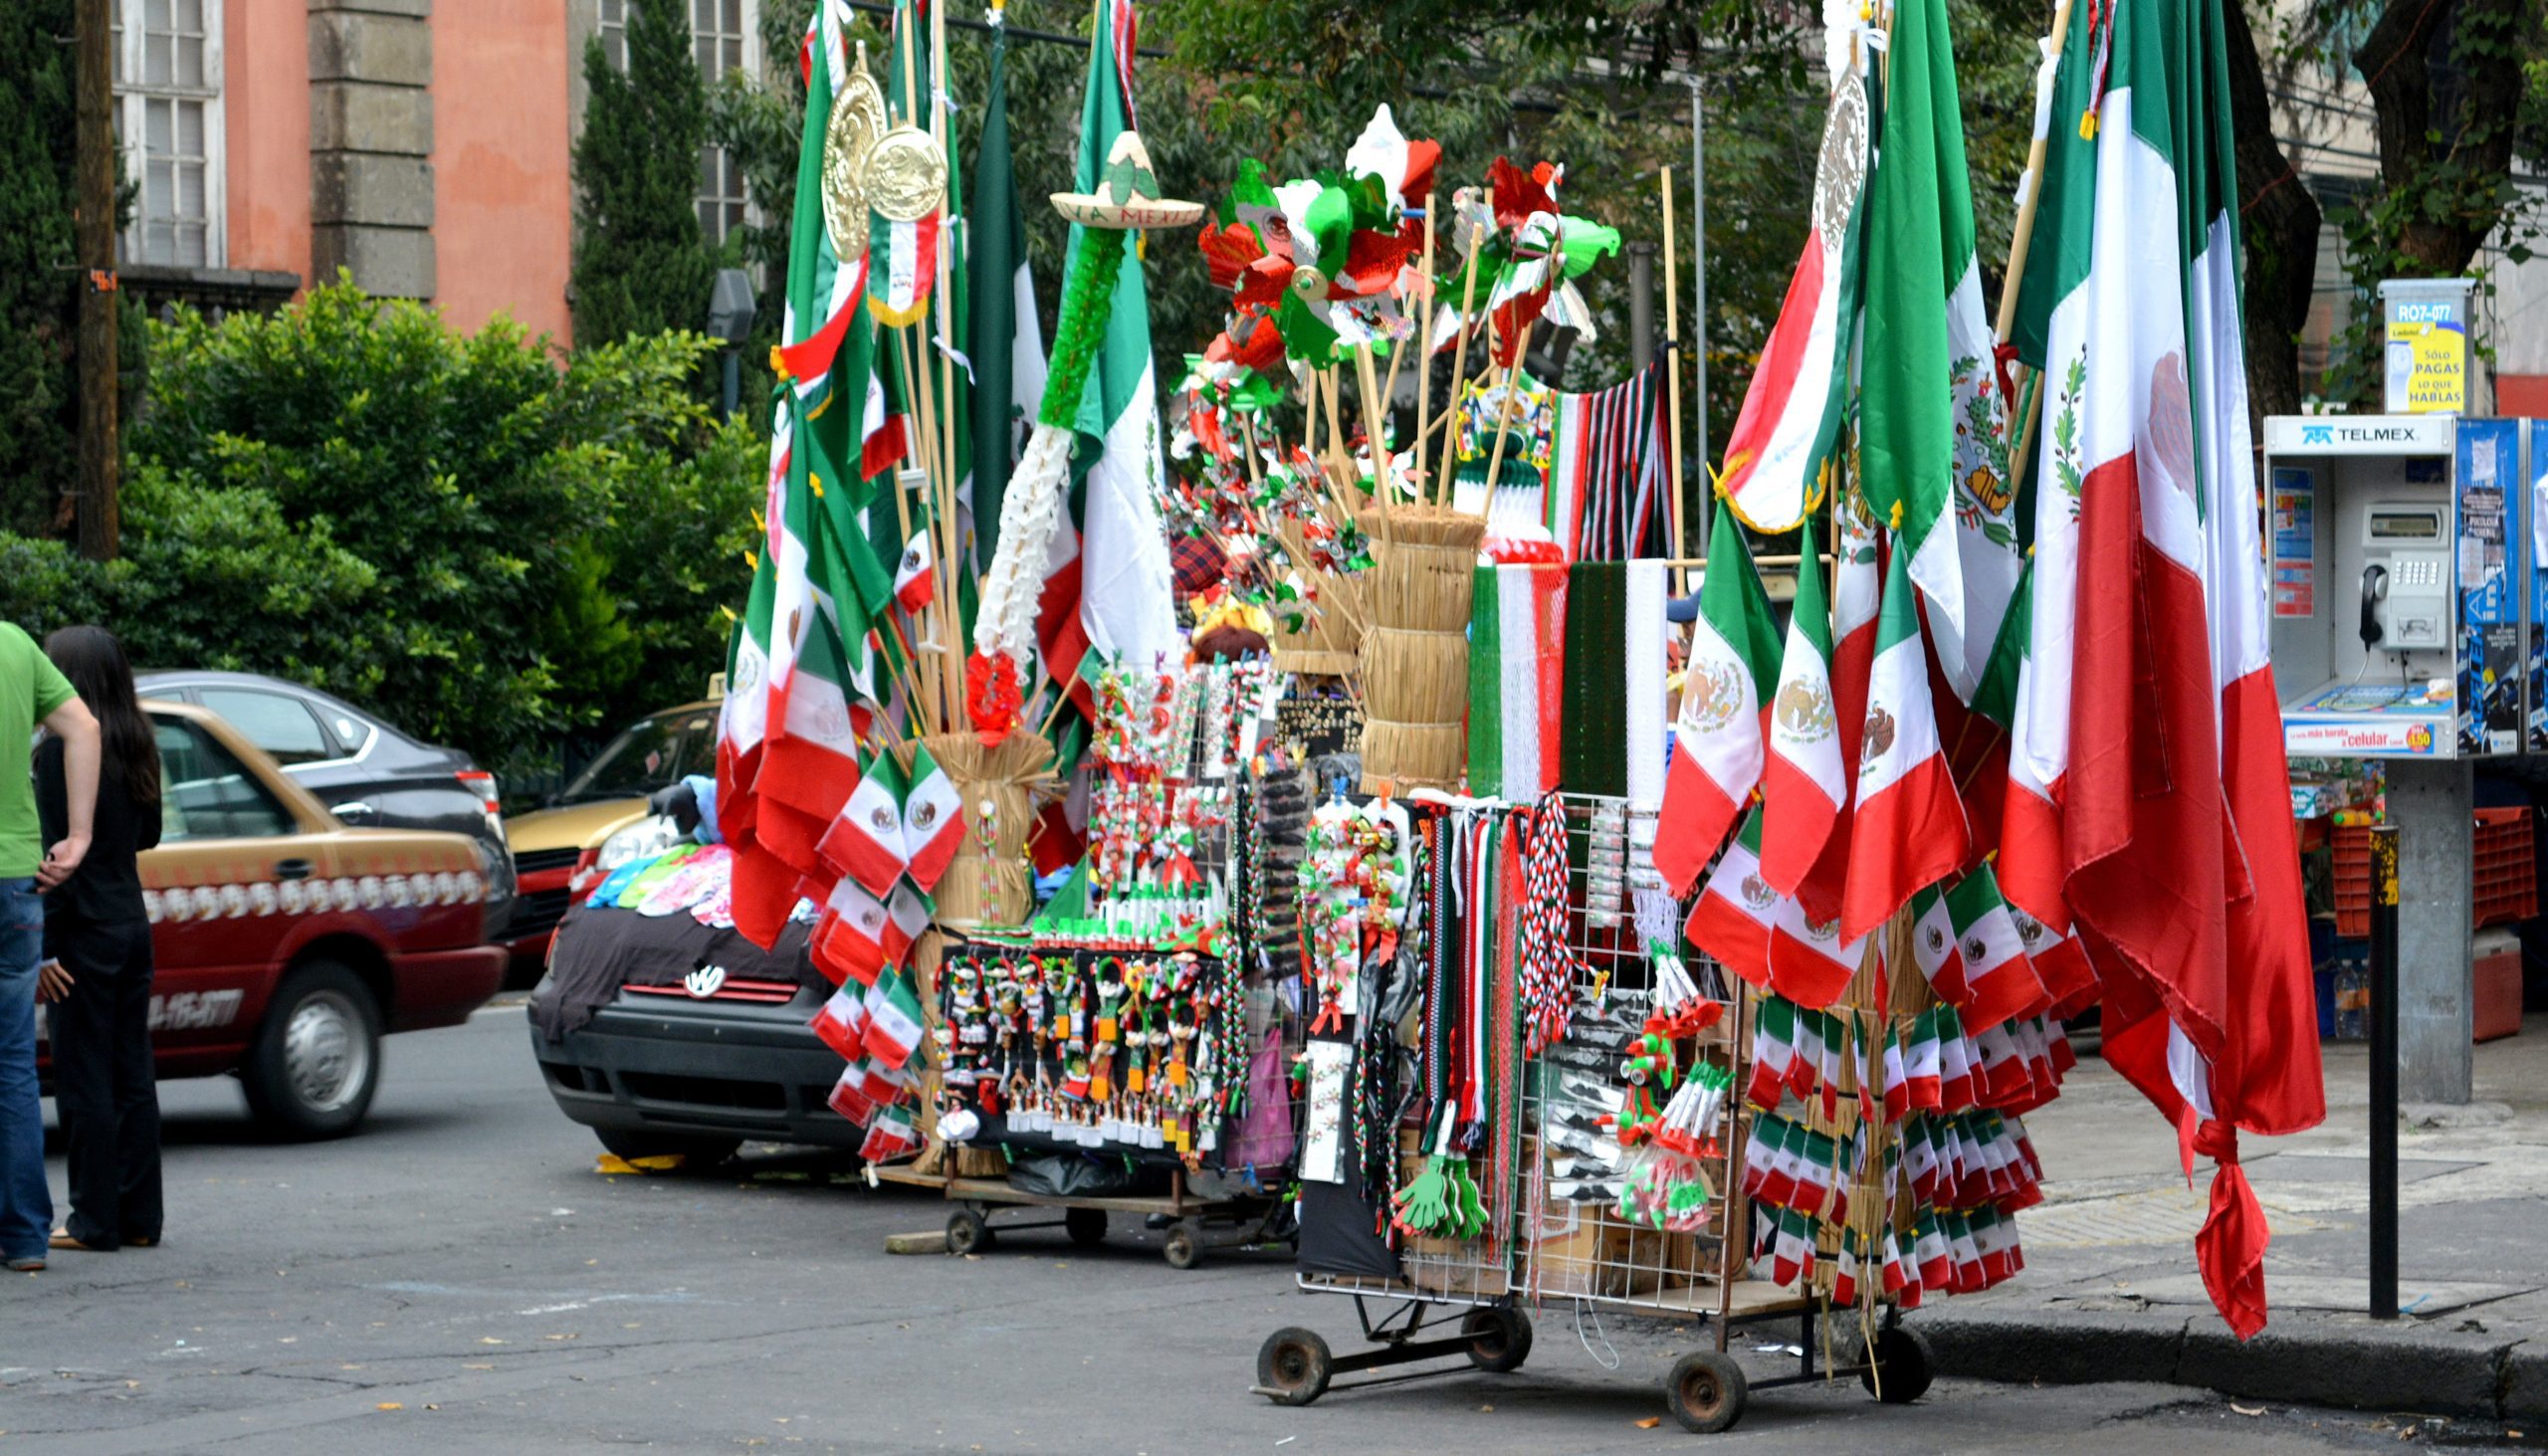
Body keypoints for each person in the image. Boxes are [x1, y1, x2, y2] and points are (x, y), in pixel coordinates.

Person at [35, 626, 162, 1259]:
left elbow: (54, 854)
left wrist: (46, 949)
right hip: (133, 922)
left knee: (83, 1078)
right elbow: (151, 836)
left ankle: (93, 1220)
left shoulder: (57, 753)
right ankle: (141, 1216)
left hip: (81, 929)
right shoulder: (139, 743)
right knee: (132, 1072)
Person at [0, 622, 97, 1273]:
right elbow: (85, 728)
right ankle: (28, 1236)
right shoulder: (13, 644)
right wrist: (80, 834)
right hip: (16, 879)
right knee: (13, 1066)